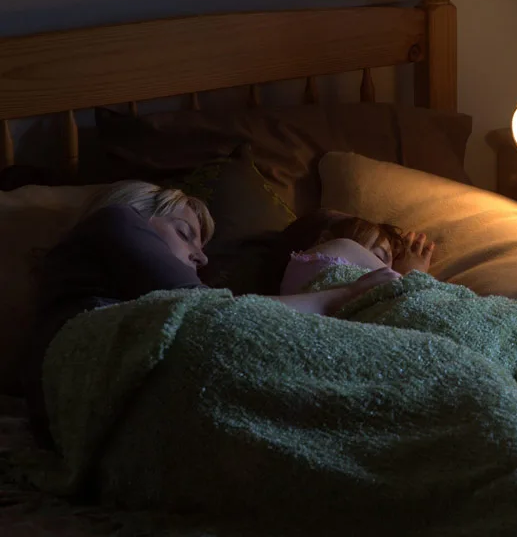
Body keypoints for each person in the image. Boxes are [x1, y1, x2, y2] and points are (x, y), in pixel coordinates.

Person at [22, 183, 413, 448]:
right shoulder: (116, 220)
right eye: (184, 233)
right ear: (138, 215)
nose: (202, 257)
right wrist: (342, 295)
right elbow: (217, 313)